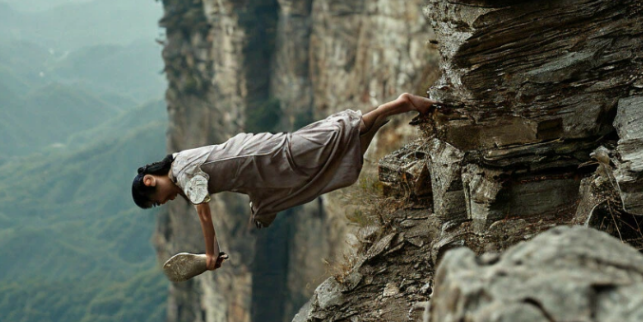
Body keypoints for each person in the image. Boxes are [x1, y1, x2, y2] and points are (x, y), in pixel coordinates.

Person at [131, 93, 434, 272]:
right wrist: (216, 252)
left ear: (150, 180)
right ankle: (377, 123)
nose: (164, 202)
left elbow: (204, 213)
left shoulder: (181, 172)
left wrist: (209, 254)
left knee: (328, 141)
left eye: (157, 199)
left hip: (269, 156)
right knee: (321, 170)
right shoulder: (181, 164)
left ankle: (398, 105)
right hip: (260, 171)